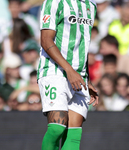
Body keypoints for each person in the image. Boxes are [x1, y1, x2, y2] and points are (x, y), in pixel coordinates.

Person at [38, 0, 98, 149]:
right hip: (54, 71)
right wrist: (69, 71)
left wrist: (87, 79)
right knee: (57, 128)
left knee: (74, 136)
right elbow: (45, 40)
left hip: (79, 76)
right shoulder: (53, 2)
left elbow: (84, 44)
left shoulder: (91, 5)